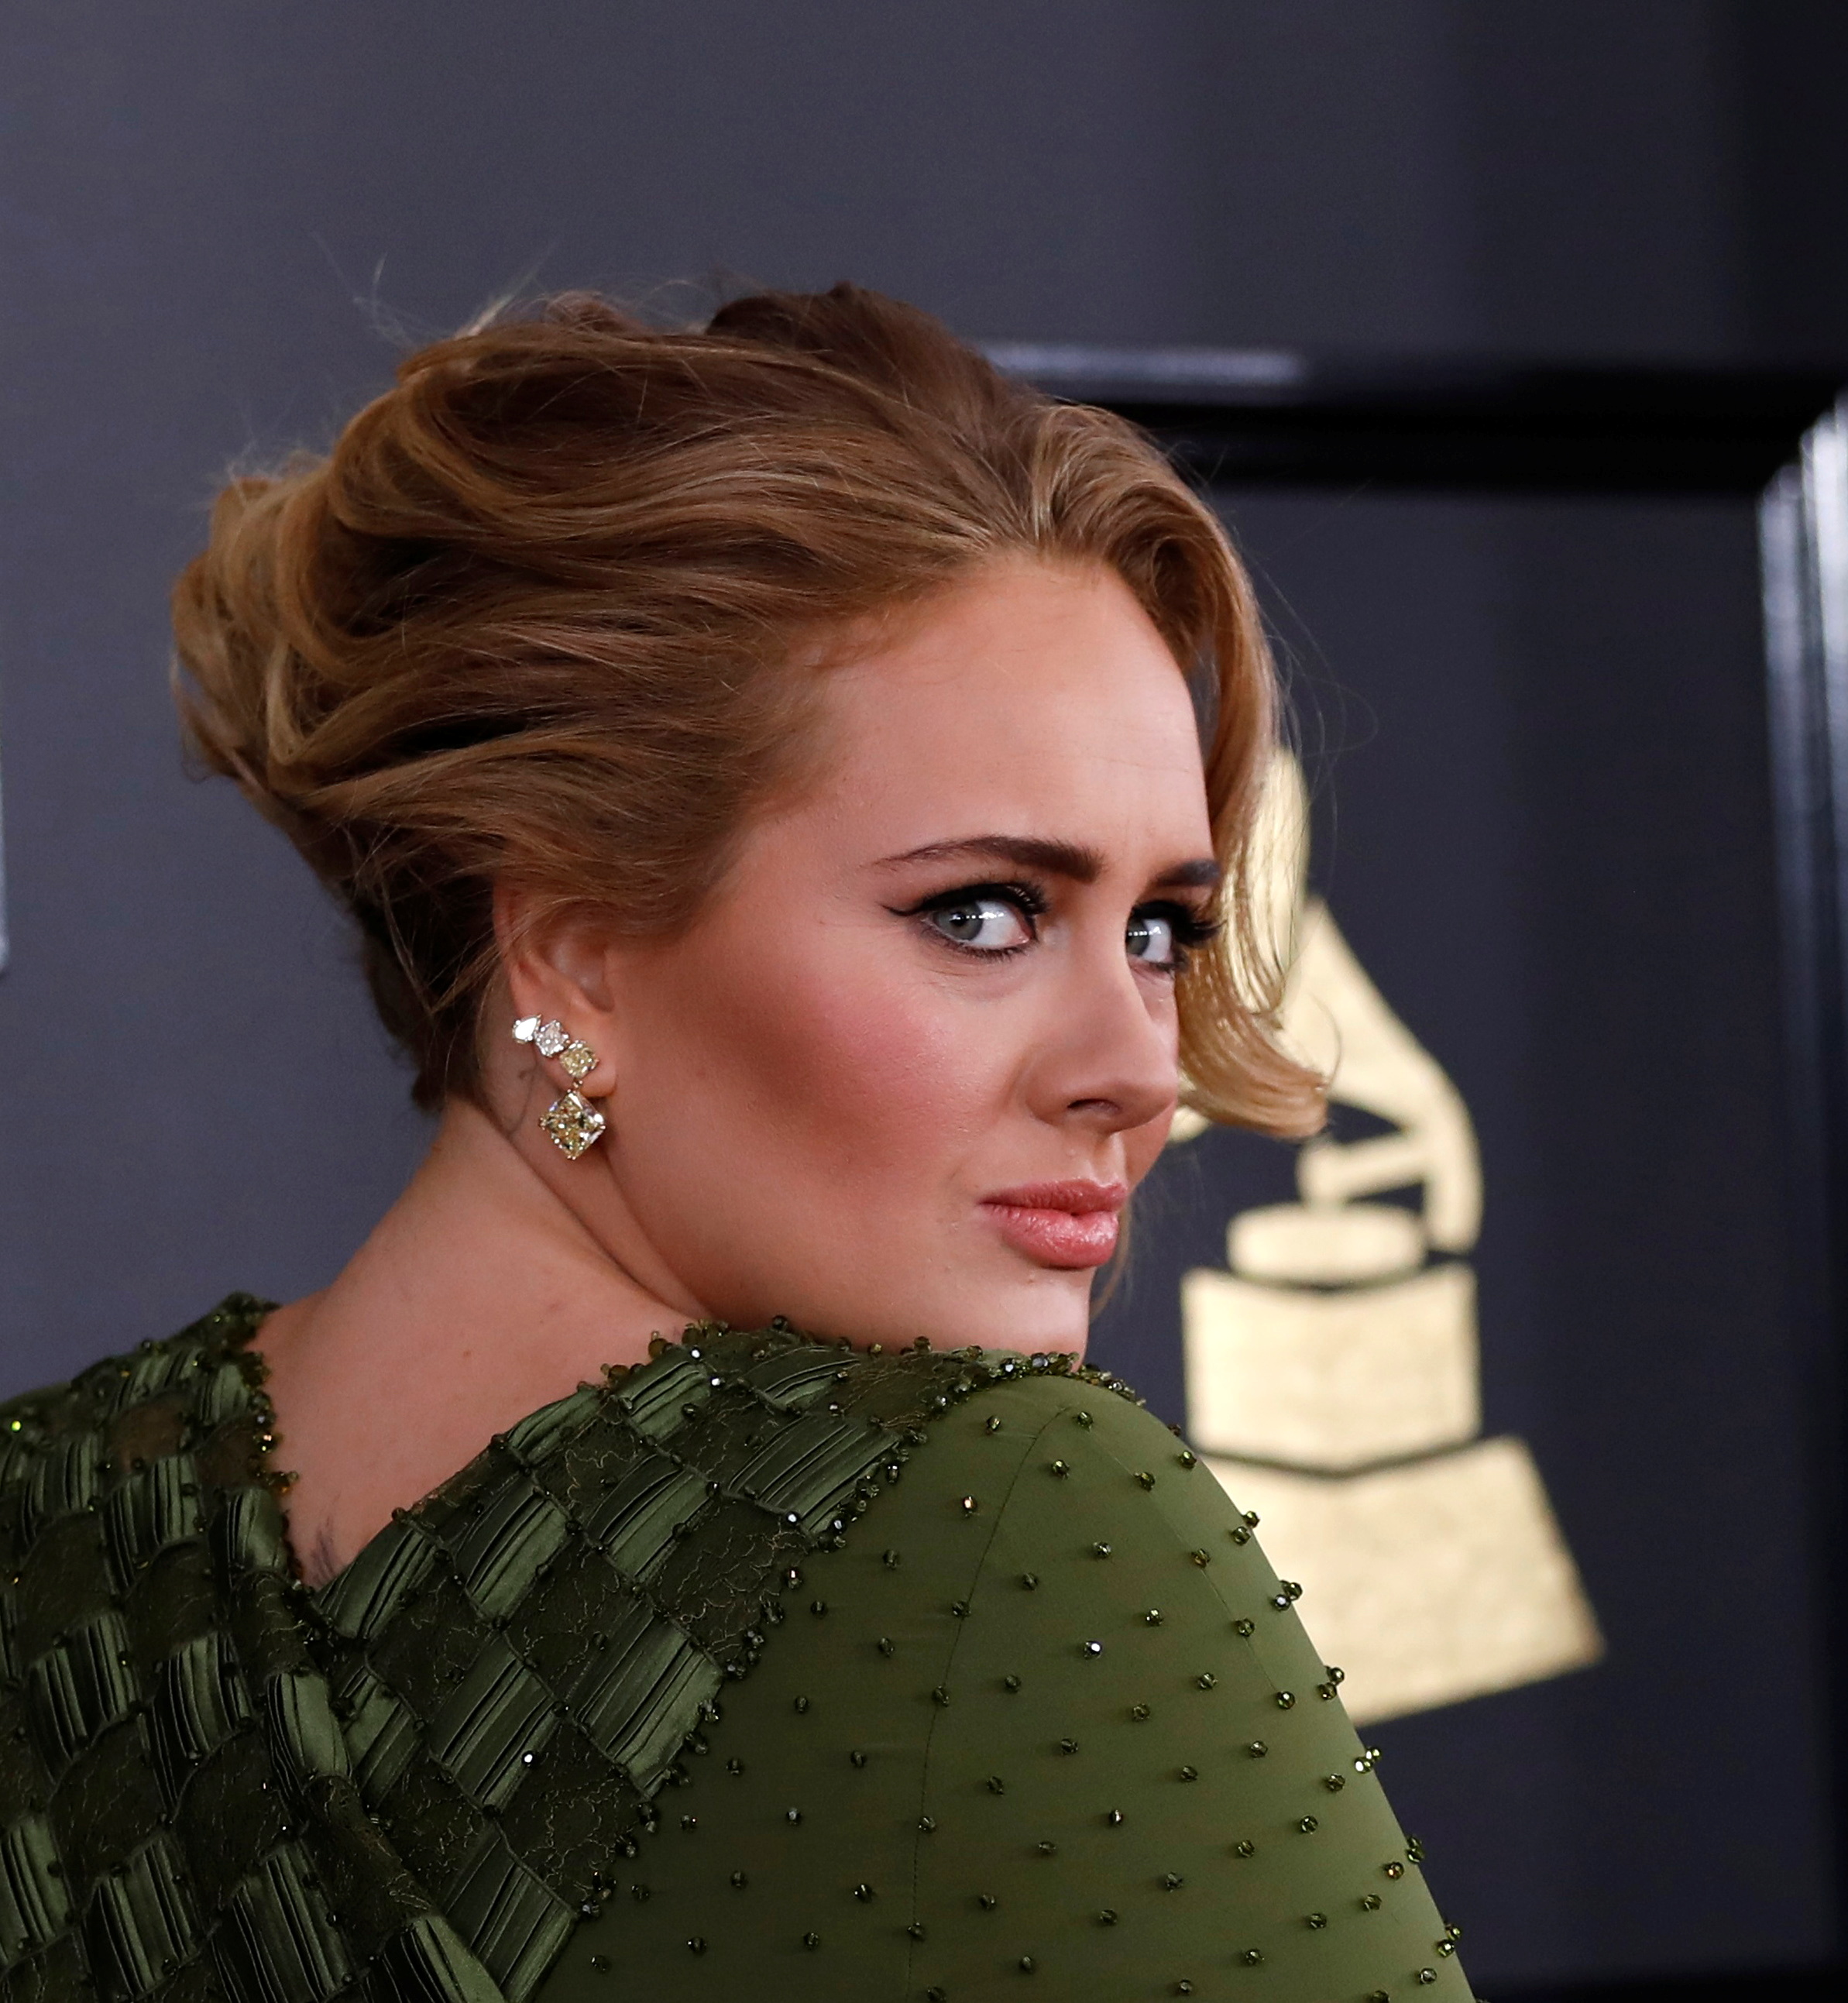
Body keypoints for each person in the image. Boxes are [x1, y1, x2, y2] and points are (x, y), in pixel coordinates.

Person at [0, 287, 1465, 2002]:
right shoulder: (1016, 1519)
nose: (1141, 1069)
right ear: (574, 952)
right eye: (984, 913)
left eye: (1162, 930)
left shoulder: (37, 1517)